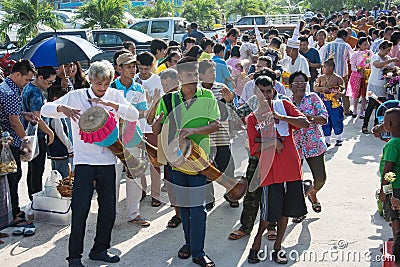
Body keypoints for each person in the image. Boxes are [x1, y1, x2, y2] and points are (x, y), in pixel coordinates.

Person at [41, 60, 139, 267]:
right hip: (84, 162)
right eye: (97, 84)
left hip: (107, 162)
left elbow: (133, 114)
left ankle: (100, 249)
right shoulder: (77, 96)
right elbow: (45, 110)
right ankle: (74, 257)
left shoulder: (114, 95)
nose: (102, 89)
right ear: (91, 80)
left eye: (105, 84)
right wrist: (62, 107)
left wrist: (114, 106)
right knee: (80, 210)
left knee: (108, 210)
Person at [152, 57, 220, 267]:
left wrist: (194, 131)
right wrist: (157, 122)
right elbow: (156, 130)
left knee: (198, 208)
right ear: (179, 78)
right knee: (185, 207)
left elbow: (216, 125)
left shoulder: (207, 95)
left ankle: (198, 252)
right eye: (188, 76)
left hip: (199, 161)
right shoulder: (168, 100)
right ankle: (189, 243)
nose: (193, 80)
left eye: (196, 75)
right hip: (175, 161)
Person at [246, 75, 309, 264]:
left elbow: (304, 123)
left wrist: (281, 117)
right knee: (267, 213)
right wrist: (272, 142)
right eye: (261, 92)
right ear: (255, 92)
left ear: (274, 90)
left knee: (286, 211)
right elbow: (253, 148)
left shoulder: (284, 106)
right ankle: (256, 242)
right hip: (270, 171)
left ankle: (278, 247)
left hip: (291, 168)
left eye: (268, 91)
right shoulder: (252, 118)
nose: (265, 96)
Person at [111, 52, 151, 226]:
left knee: (134, 177)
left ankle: (133, 213)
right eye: (128, 66)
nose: (132, 69)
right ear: (119, 69)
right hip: (113, 140)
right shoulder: (110, 88)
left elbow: (143, 112)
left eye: (133, 66)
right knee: (112, 178)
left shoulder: (139, 88)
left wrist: (129, 115)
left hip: (133, 138)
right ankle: (109, 214)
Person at [0, 59, 37, 228]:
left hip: (7, 140)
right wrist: (26, 140)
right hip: (9, 143)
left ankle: (12, 211)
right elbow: (14, 121)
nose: (28, 83)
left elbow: (13, 113)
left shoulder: (6, 87)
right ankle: (14, 214)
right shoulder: (11, 93)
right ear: (17, 74)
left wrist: (24, 114)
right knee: (13, 178)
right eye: (27, 79)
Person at [198, 60, 238, 209]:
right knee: (206, 169)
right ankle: (208, 199)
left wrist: (230, 101)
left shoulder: (222, 89)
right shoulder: (196, 91)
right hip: (204, 139)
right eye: (210, 72)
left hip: (222, 137)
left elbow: (233, 112)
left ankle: (232, 195)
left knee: (228, 167)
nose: (213, 75)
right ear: (201, 75)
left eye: (214, 72)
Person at [290, 71, 328, 223]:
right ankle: (298, 211)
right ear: (290, 86)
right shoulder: (286, 101)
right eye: (297, 84)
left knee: (320, 179)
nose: (300, 87)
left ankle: (312, 193)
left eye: (303, 83)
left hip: (314, 144)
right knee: (294, 181)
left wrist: (309, 118)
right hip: (294, 146)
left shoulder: (313, 98)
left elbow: (324, 118)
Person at [22, 66, 56, 200]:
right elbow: (37, 117)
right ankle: (36, 199)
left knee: (32, 170)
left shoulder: (28, 87)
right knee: (37, 171)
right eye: (49, 82)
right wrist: (50, 132)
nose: (50, 85)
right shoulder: (35, 92)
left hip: (30, 135)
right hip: (38, 136)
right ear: (40, 78)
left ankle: (33, 198)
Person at [135, 52, 163, 207]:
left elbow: (161, 104)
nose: (143, 72)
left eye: (146, 69)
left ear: (152, 67)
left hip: (152, 127)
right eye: (140, 68)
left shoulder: (158, 81)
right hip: (136, 127)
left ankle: (156, 194)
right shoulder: (134, 81)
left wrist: (151, 100)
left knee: (155, 162)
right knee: (138, 161)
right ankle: (141, 190)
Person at [362, 41, 398, 134]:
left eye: (389, 50)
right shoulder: (375, 57)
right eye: (386, 50)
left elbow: (392, 70)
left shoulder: (388, 58)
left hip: (383, 87)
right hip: (373, 86)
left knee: (380, 107)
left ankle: (376, 127)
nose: (387, 52)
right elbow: (378, 65)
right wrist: (391, 61)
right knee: (371, 105)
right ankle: (365, 125)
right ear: (381, 49)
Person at [378, 108, 400, 238]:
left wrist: (383, 190)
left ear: (389, 124)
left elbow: (388, 171)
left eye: (384, 122)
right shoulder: (394, 143)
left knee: (395, 217)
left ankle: (396, 244)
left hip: (395, 187)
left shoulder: (392, 145)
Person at [314, 58, 345, 147]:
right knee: (326, 120)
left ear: (331, 68)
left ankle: (339, 138)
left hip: (335, 102)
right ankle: (327, 140)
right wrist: (322, 89)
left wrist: (340, 94)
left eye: (325, 67)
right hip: (324, 102)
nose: (322, 68)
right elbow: (315, 88)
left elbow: (343, 89)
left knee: (337, 119)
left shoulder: (338, 78)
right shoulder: (320, 78)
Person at [323, 29, 353, 116]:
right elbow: (350, 59)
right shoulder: (346, 46)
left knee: (329, 91)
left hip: (329, 73)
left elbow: (324, 59)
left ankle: (329, 109)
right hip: (342, 72)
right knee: (344, 91)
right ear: (343, 36)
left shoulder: (329, 45)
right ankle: (346, 109)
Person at [46, 85, 72, 178]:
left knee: (56, 176)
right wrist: (70, 148)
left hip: (55, 152)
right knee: (63, 178)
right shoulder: (55, 116)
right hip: (60, 151)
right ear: (56, 99)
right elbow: (60, 133)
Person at [347, 37, 372, 119]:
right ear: (359, 45)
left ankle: (361, 112)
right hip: (356, 76)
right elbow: (352, 67)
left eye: (367, 44)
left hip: (366, 76)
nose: (366, 46)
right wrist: (359, 70)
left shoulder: (369, 53)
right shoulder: (355, 54)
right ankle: (355, 110)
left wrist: (366, 70)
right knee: (356, 95)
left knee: (364, 95)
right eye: (364, 44)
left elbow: (369, 64)